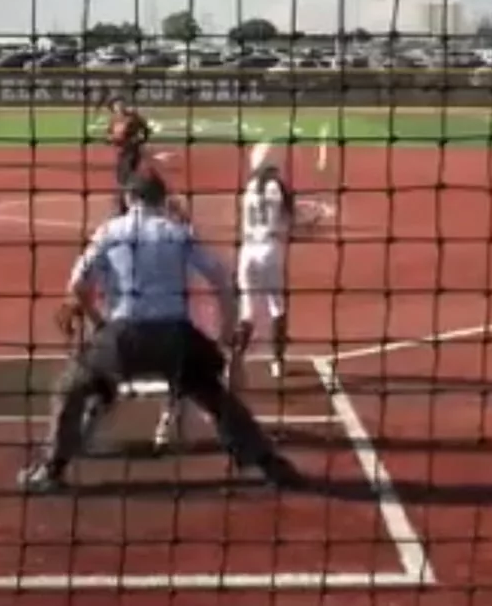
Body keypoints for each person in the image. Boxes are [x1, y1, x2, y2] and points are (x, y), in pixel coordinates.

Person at [19, 172, 301, 493]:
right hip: (176, 340)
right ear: (161, 199)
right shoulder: (177, 232)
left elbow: (77, 286)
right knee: (214, 395)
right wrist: (225, 330)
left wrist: (100, 323)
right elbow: (220, 277)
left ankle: (52, 469)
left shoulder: (111, 231)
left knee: (72, 385)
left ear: (130, 198)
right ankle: (267, 463)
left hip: (122, 338)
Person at [236, 161, 295, 382]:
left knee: (247, 312)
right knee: (277, 306)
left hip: (247, 251)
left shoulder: (249, 189)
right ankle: (277, 361)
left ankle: (235, 360)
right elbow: (288, 213)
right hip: (270, 250)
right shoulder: (276, 187)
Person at [104, 96, 153, 215]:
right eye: (116, 105)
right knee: (122, 178)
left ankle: (125, 206)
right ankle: (127, 205)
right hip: (121, 152)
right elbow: (108, 135)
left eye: (120, 103)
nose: (119, 106)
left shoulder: (133, 117)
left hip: (132, 151)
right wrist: (110, 139)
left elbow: (146, 130)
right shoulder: (114, 119)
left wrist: (140, 140)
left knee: (127, 178)